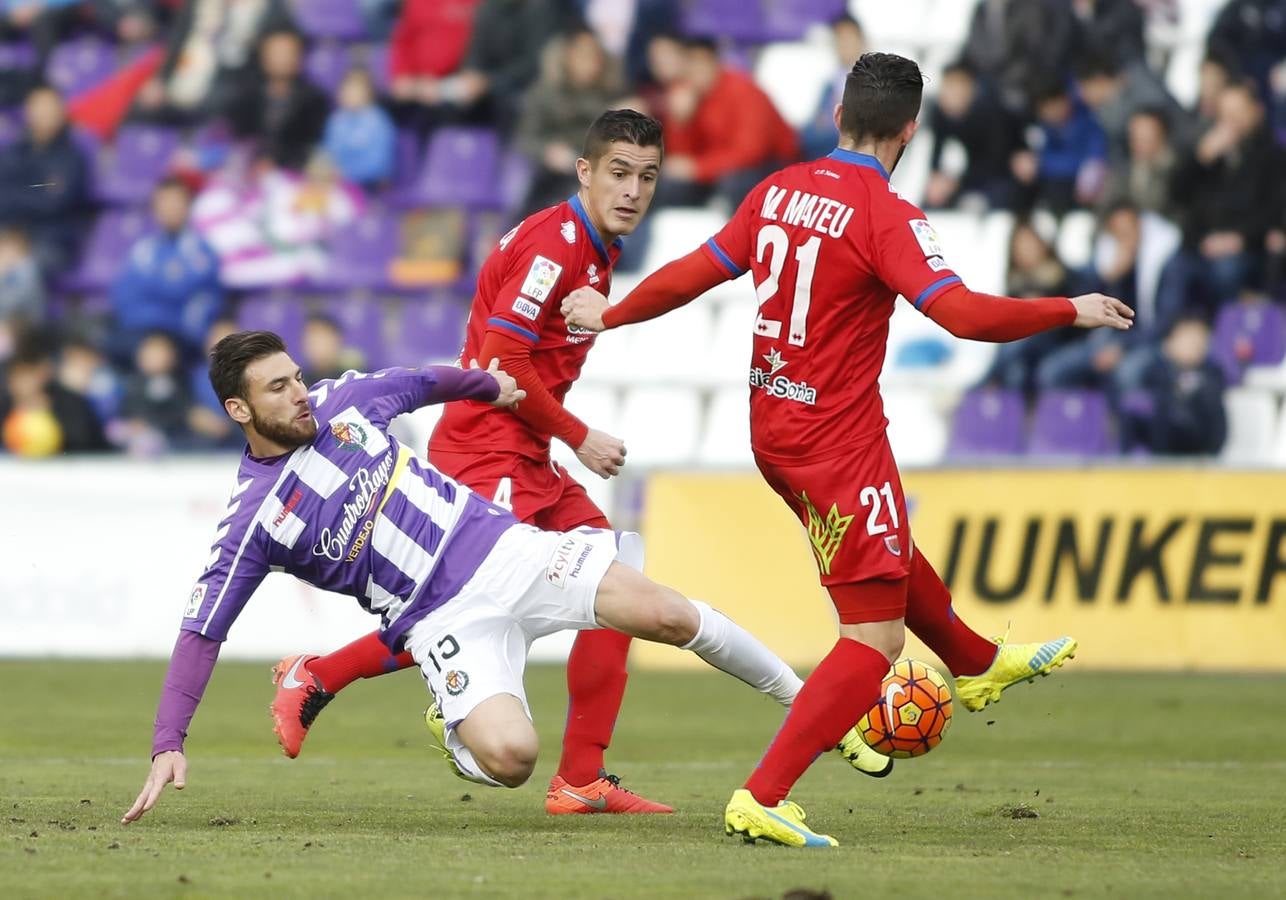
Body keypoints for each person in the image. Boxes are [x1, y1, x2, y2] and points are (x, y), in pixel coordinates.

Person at [562, 52, 1134, 847]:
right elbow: (963, 316)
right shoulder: (884, 215)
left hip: (775, 430)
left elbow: (697, 272)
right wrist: (1067, 308)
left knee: (889, 547)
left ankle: (973, 661)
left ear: (837, 117)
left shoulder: (778, 190)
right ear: (910, 131)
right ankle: (762, 793)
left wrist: (613, 314)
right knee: (876, 638)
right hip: (836, 438)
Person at [266, 109, 894, 815]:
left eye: (648, 177)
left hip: (526, 453)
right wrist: (578, 433)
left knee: (616, 583)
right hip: (484, 452)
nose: (633, 190)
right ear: (585, 173)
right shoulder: (555, 246)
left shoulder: (596, 245)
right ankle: (318, 675)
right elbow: (500, 360)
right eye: (619, 173)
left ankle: (581, 777)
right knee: (462, 606)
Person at [121, 330, 845, 823]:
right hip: (441, 624)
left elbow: (417, 382)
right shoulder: (254, 521)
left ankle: (808, 705)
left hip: (511, 552)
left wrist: (487, 384)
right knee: (512, 762)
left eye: (297, 378)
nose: (300, 394)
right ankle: (454, 718)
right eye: (277, 390)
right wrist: (167, 740)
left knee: (666, 615)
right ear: (239, 410)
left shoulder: (346, 403)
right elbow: (201, 630)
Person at [108, 177, 223, 365]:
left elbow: (200, 299)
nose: (169, 209)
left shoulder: (201, 252)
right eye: (163, 203)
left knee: (156, 354)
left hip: (179, 336)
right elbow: (124, 293)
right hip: (137, 332)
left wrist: (156, 290)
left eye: (175, 202)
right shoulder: (143, 250)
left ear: (187, 206)